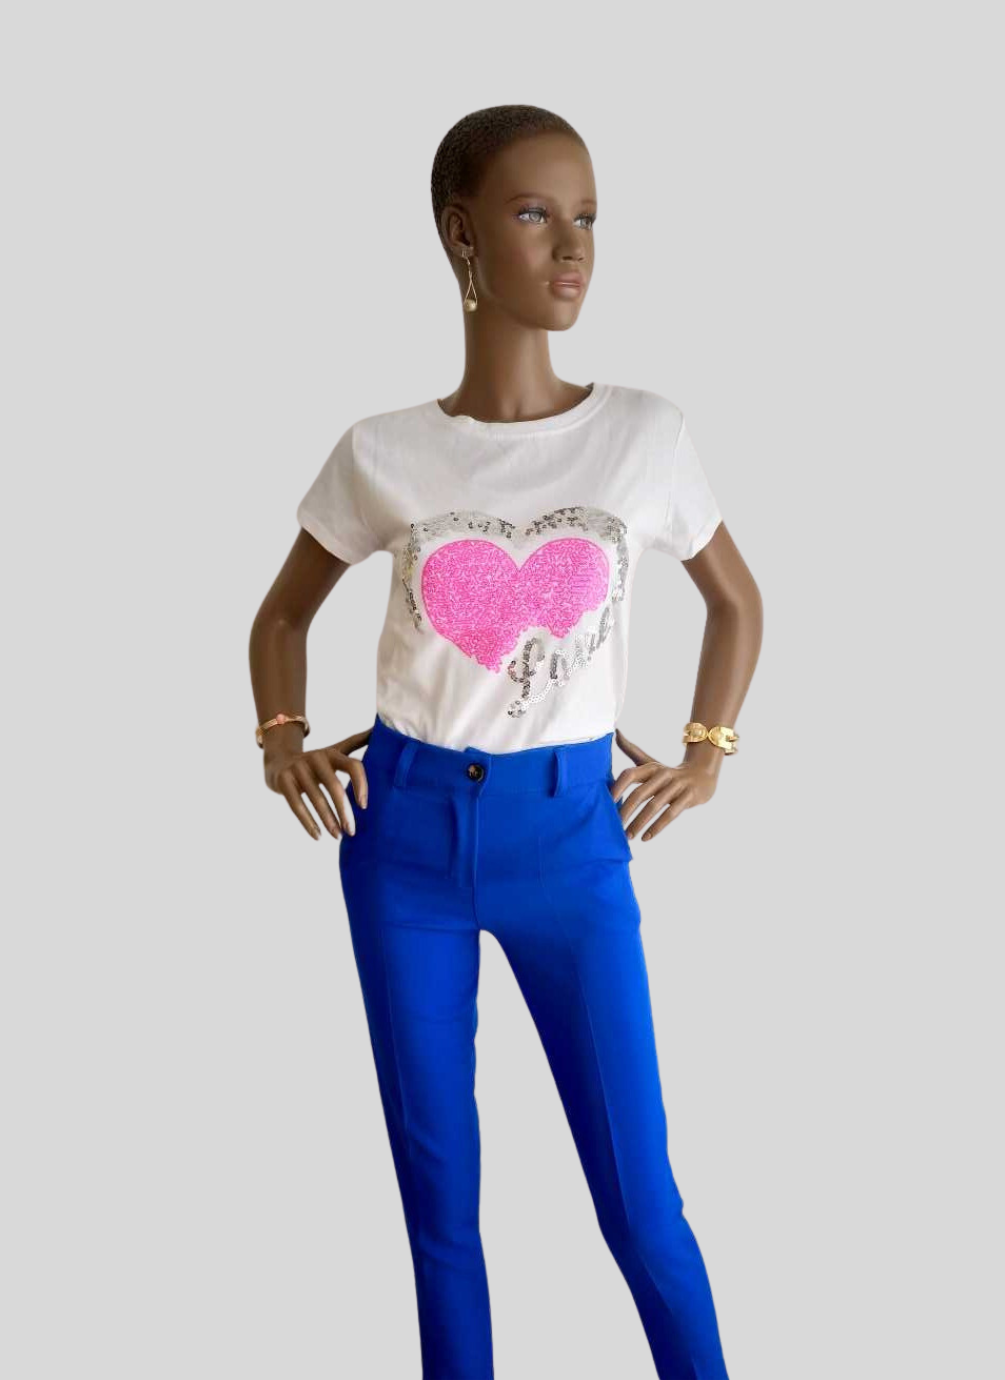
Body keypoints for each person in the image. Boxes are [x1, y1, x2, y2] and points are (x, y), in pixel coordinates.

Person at [249, 103, 763, 1380]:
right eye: (536, 214)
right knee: (439, 1210)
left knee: (639, 1201)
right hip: (403, 841)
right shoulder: (384, 452)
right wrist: (281, 738)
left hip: (572, 841)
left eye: (586, 216)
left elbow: (736, 602)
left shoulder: (643, 434)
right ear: (461, 235)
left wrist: (705, 751)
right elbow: (281, 615)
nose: (573, 247)